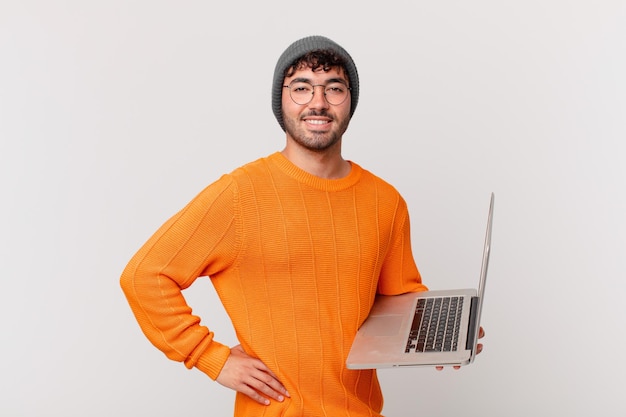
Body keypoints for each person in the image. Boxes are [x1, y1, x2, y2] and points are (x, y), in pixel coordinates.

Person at [120, 35, 483, 416]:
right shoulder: (240, 194)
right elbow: (144, 275)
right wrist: (212, 358)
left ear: (350, 102)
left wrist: (440, 334)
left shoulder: (385, 202)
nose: (318, 102)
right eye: (301, 88)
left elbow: (397, 298)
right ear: (281, 100)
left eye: (334, 88)